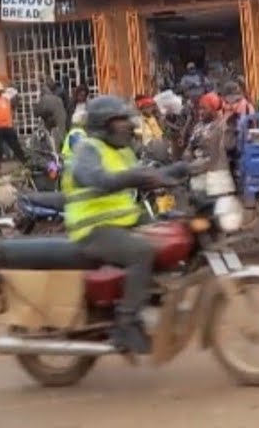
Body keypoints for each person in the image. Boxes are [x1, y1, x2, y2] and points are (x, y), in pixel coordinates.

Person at [63, 96, 175, 355]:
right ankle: (125, 323)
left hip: (121, 222)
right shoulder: (87, 149)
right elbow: (94, 178)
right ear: (104, 124)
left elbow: (145, 174)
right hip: (92, 229)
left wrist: (183, 170)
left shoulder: (122, 151)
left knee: (169, 235)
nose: (127, 125)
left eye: (126, 119)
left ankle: (149, 297)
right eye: (120, 120)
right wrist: (133, 177)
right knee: (141, 253)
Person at [0, 79, 27, 170]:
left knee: (16, 145)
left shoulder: (5, 97)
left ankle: (25, 162)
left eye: (0, 90)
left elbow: (14, 95)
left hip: (7, 126)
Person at [36, 78, 68, 150]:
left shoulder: (45, 99)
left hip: (52, 120)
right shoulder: (57, 97)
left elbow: (37, 112)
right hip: (58, 118)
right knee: (59, 135)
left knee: (49, 136)